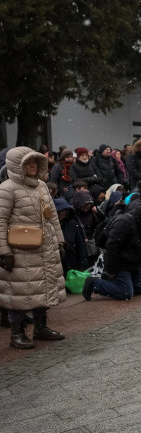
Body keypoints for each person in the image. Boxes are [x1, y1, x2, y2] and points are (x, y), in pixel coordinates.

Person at [0, 147, 67, 349]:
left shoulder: (41, 186)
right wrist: (4, 251)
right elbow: (0, 221)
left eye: (35, 163)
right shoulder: (7, 188)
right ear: (16, 165)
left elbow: (52, 215)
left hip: (44, 247)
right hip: (20, 249)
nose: (32, 166)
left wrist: (59, 240)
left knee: (43, 288)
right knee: (20, 293)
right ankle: (17, 333)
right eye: (28, 163)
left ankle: (40, 327)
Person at [82, 199, 141, 301]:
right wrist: (111, 270)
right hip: (120, 262)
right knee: (125, 293)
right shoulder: (124, 222)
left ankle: (116, 283)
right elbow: (112, 248)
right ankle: (94, 283)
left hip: (133, 262)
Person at [55, 197, 88, 275]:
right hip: (56, 264)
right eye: (59, 214)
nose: (61, 216)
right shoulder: (48, 226)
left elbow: (80, 244)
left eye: (64, 214)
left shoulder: (72, 224)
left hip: (71, 263)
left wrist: (82, 264)